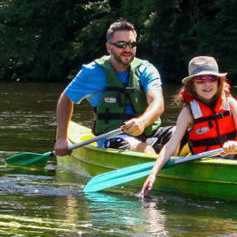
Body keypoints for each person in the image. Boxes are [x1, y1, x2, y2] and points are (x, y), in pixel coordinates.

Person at [139, 56, 237, 196]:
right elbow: (171, 145)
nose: (207, 84)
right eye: (200, 80)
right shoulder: (188, 113)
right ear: (192, 85)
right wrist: (153, 173)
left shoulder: (230, 103)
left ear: (219, 82)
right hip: (209, 162)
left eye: (212, 79)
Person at [54, 19, 166, 156]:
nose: (127, 49)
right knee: (145, 150)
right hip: (113, 137)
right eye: (121, 44)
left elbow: (157, 103)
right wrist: (61, 138)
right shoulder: (92, 72)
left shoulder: (146, 69)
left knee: (187, 139)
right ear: (109, 47)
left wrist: (142, 122)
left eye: (132, 44)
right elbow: (66, 98)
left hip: (147, 132)